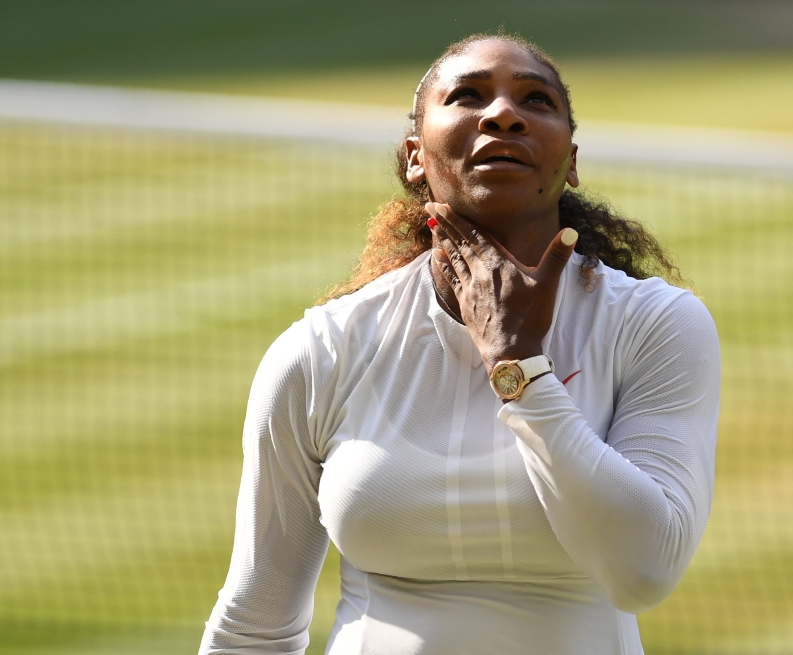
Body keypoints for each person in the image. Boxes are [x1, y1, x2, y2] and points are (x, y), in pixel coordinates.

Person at [200, 32, 720, 655]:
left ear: (571, 160)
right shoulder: (322, 349)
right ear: (415, 156)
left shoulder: (656, 324)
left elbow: (643, 570)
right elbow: (254, 624)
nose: (503, 113)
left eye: (536, 100)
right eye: (468, 95)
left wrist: (520, 370)